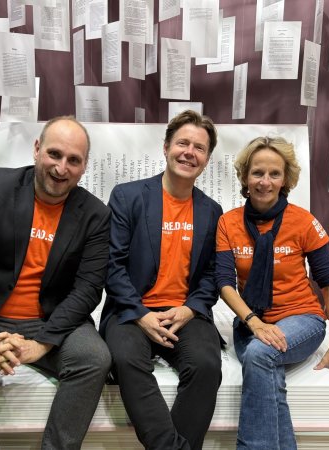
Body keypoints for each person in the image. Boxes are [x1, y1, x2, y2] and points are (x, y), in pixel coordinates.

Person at [0, 116, 112, 450]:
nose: (61, 167)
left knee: (94, 358)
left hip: (49, 319)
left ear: (84, 167)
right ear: (37, 149)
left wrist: (41, 343)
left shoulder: (95, 215)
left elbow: (88, 289)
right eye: (55, 154)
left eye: (74, 160)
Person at [215, 136, 329, 450]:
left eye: (274, 174)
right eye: (257, 173)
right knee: (267, 372)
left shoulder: (304, 222)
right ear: (244, 176)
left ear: (286, 179)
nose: (265, 181)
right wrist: (254, 323)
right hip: (251, 324)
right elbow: (225, 283)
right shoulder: (228, 223)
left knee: (259, 354)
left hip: (302, 320)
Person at [100, 110, 224, 450]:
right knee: (124, 360)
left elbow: (213, 274)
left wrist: (190, 309)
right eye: (182, 143)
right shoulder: (128, 197)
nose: (189, 152)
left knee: (207, 365)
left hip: (184, 312)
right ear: (166, 146)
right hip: (131, 310)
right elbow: (113, 264)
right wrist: (140, 313)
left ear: (207, 159)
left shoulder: (212, 211)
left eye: (199, 148)